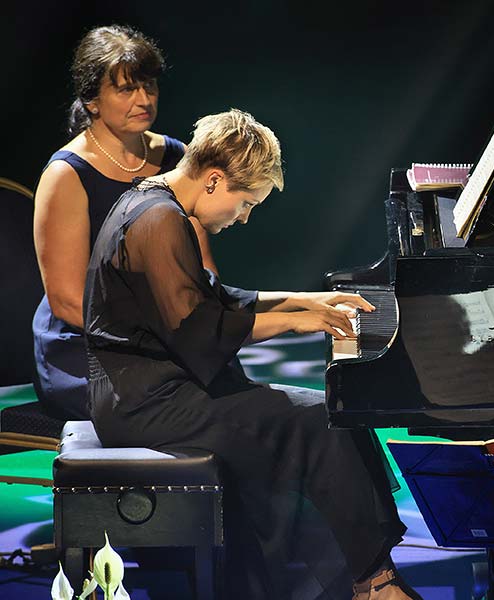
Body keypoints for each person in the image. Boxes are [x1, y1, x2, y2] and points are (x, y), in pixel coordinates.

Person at [82, 107, 422, 600]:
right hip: (143, 402)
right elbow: (200, 333)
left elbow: (214, 297)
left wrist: (306, 301)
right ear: (215, 180)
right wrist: (293, 321)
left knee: (326, 417)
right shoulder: (159, 220)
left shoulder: (158, 203)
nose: (244, 217)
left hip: (157, 388)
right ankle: (374, 583)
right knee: (319, 421)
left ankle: (369, 577)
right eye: (246, 203)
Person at [32, 24, 218, 420]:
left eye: (149, 86)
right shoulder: (67, 173)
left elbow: (201, 265)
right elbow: (66, 299)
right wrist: (154, 337)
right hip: (86, 345)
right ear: (92, 100)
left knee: (229, 387)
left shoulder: (177, 157)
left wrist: (206, 325)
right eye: (126, 89)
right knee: (183, 403)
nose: (144, 99)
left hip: (165, 332)